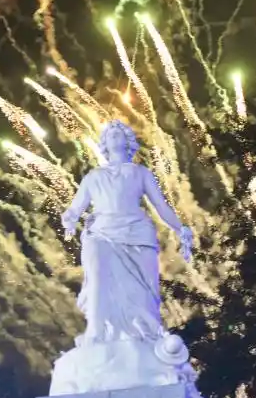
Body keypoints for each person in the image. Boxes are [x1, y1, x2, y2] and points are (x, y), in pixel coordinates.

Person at [61, 119, 193, 345]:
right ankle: (97, 329)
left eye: (119, 133)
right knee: (98, 278)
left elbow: (161, 206)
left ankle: (143, 335)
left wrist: (180, 227)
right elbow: (75, 208)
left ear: (128, 141)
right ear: (104, 143)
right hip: (101, 233)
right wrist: (69, 219)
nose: (114, 135)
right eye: (110, 133)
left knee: (140, 292)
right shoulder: (93, 177)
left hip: (136, 234)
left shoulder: (140, 173)